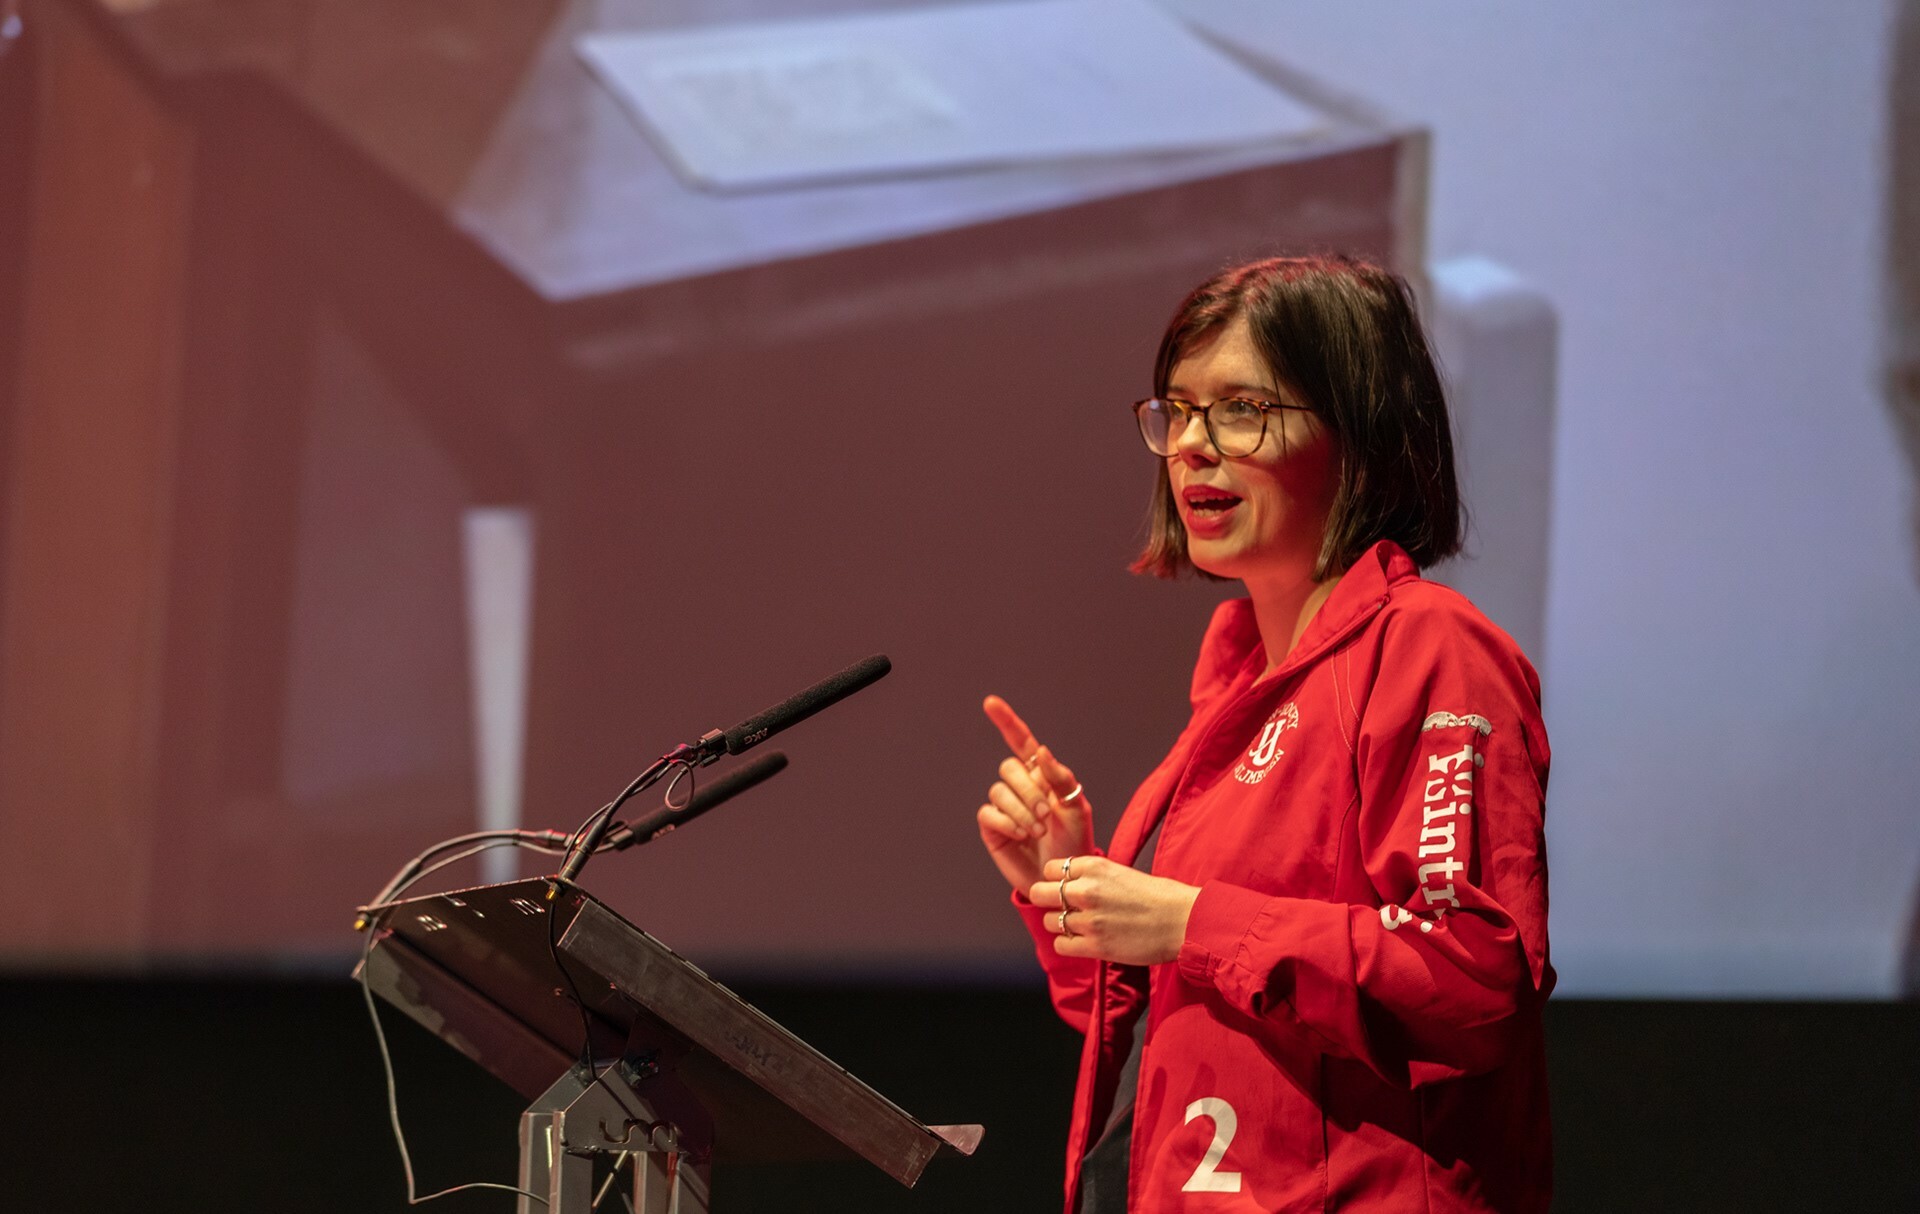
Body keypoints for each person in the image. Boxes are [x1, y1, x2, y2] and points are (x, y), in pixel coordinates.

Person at [975, 255, 1553, 1213]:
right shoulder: (1237, 675)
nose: (1194, 446)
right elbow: (1178, 1026)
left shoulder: (1429, 648)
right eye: (1179, 411)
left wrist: (1191, 921)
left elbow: (1471, 974)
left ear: (1360, 436)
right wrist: (1068, 891)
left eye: (1242, 410)